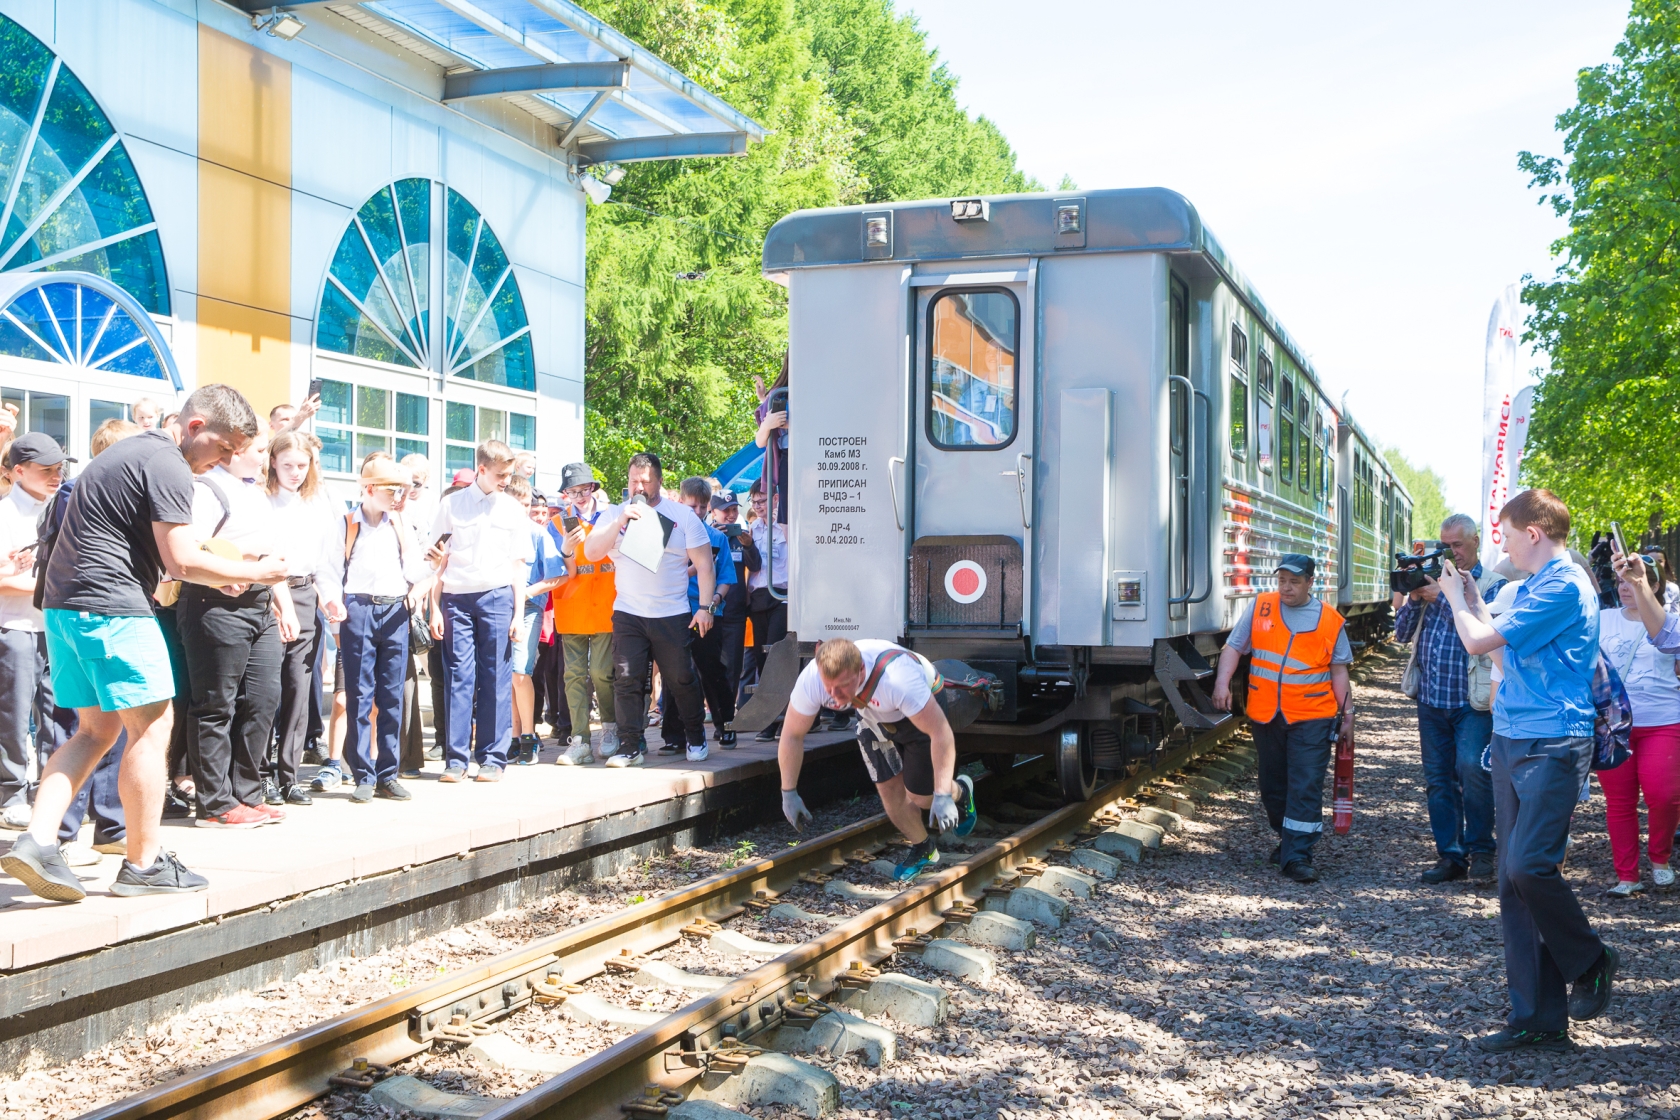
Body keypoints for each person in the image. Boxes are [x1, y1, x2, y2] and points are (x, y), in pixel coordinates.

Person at [0, 386, 287, 902]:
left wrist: (216, 576)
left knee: (95, 731)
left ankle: (38, 840)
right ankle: (144, 863)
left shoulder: (129, 451)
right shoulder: (169, 462)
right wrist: (255, 571)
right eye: (223, 449)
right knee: (153, 730)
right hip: (112, 608)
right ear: (196, 427)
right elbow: (180, 561)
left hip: (65, 608)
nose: (223, 461)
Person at [1436, 488, 1619, 1052]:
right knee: (1512, 884)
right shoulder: (1535, 586)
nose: (1503, 544)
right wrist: (1471, 595)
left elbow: (1474, 641)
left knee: (1530, 866)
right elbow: (1499, 652)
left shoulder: (1564, 585)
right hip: (1515, 735)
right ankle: (1536, 1016)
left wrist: (1453, 600)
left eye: (1508, 534)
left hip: (1553, 741)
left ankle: (1591, 958)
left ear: (1533, 534)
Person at [776, 638, 976, 879]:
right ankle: (923, 847)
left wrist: (943, 793)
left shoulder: (898, 680)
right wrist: (789, 792)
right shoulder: (811, 681)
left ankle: (962, 791)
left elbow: (940, 733)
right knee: (888, 788)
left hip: (915, 712)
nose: (836, 698)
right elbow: (792, 735)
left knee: (922, 797)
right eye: (829, 689)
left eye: (842, 687)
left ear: (861, 671)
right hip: (872, 715)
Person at [179, 427, 299, 829]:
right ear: (235, 451)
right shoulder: (206, 489)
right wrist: (243, 564)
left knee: (263, 700)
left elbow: (270, 556)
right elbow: (191, 550)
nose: (266, 457)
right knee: (216, 705)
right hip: (217, 603)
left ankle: (247, 793)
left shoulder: (253, 491)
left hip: (261, 603)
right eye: (261, 450)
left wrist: (283, 605)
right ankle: (214, 804)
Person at [1211, 553, 1353, 884]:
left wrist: (1348, 715)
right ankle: (1286, 839)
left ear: (1309, 583)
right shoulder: (1261, 607)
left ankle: (1298, 855)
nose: (1286, 588)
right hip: (1267, 714)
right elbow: (1234, 647)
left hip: (1312, 716)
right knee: (1273, 784)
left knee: (1305, 784)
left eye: (1294, 582)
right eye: (1282, 581)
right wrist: (1221, 684)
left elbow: (1339, 671)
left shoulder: (1330, 620)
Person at [582, 452, 714, 767]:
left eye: (645, 481)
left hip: (671, 613)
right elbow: (591, 551)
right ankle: (630, 747)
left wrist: (705, 607)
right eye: (633, 481)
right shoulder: (614, 513)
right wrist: (620, 521)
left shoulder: (682, 516)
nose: (638, 486)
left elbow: (705, 566)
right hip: (628, 612)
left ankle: (695, 736)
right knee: (626, 678)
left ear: (658, 481)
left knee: (681, 677)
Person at [1394, 513, 1505, 884]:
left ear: (1476, 542)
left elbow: (1484, 632)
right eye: (1445, 545)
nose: (1450, 552)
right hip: (1431, 697)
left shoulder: (1493, 585)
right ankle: (1451, 856)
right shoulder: (1432, 579)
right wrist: (1414, 597)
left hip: (1472, 701)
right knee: (1438, 779)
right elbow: (1400, 634)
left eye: (1457, 544)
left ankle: (1483, 853)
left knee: (1473, 770)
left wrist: (1442, 596)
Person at [317, 457, 432, 801]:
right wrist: (332, 601)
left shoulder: (400, 524)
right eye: (391, 489)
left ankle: (387, 773)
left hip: (395, 610)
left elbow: (414, 568)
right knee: (359, 696)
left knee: (391, 697)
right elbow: (328, 569)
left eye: (401, 489)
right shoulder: (346, 524)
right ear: (369, 489)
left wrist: (429, 566)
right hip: (359, 609)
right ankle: (363, 775)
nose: (398, 495)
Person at [428, 440, 532, 782]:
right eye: (501, 474)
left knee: (496, 678)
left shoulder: (513, 509)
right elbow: (436, 561)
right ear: (481, 470)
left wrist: (518, 614)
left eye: (509, 473)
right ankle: (456, 760)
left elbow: (519, 565)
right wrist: (435, 608)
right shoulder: (451, 504)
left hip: (497, 597)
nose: (506, 480)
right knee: (459, 676)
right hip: (456, 598)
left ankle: (492, 758)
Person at [0, 435, 75, 832]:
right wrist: (55, 585)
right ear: (17, 471)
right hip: (16, 627)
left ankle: (50, 794)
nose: (56, 475)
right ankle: (11, 793)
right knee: (13, 718)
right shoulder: (5, 514)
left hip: (55, 627)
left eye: (59, 468)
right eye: (46, 469)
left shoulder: (61, 507)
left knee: (57, 717)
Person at [1602, 548, 1680, 895]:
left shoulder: (1671, 621)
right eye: (1619, 581)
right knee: (1619, 802)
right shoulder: (1603, 619)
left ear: (1653, 585)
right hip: (1614, 725)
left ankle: (1660, 857)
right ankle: (1627, 875)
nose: (1624, 587)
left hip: (1663, 720)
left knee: (1664, 795)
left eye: (1631, 581)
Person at [266, 431, 338, 806]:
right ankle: (261, 774)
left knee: (298, 686)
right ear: (273, 462)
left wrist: (330, 598)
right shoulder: (263, 500)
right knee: (267, 690)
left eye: (302, 465)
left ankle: (287, 775)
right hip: (269, 594)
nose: (295, 472)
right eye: (288, 464)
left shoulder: (315, 504)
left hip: (306, 592)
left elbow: (325, 560)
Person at [551, 462, 618, 766]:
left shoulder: (611, 518)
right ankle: (580, 739)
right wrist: (566, 550)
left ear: (593, 488)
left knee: (602, 672)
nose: (577, 497)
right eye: (571, 492)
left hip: (607, 605)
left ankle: (610, 727)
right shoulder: (556, 523)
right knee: (574, 675)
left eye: (582, 490)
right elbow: (554, 568)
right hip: (572, 605)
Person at [508, 478, 568, 765]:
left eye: (526, 504)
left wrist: (529, 591)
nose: (521, 509)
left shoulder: (538, 534)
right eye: (515, 504)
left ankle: (529, 737)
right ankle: (513, 736)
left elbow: (560, 575)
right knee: (506, 675)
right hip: (498, 606)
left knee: (521, 671)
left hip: (530, 607)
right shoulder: (497, 531)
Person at [675, 477, 737, 748]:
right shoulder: (671, 536)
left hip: (709, 612)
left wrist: (711, 605)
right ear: (681, 503)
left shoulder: (717, 538)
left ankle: (726, 724)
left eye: (703, 507)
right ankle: (676, 734)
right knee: (678, 672)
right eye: (692, 506)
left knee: (711, 669)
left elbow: (726, 578)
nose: (698, 512)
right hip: (676, 611)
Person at [706, 489, 758, 747]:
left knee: (733, 670)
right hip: (711, 612)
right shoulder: (706, 536)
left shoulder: (740, 536)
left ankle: (727, 723)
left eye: (733, 509)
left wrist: (748, 545)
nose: (730, 514)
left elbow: (756, 566)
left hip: (736, 613)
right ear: (712, 512)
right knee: (712, 670)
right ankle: (719, 721)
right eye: (724, 510)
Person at [746, 482, 789, 741]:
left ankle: (779, 719)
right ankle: (768, 717)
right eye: (754, 502)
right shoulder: (752, 528)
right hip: (758, 597)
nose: (758, 506)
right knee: (761, 659)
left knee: (775, 655)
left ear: (775, 499)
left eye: (762, 501)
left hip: (781, 597)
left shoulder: (785, 528)